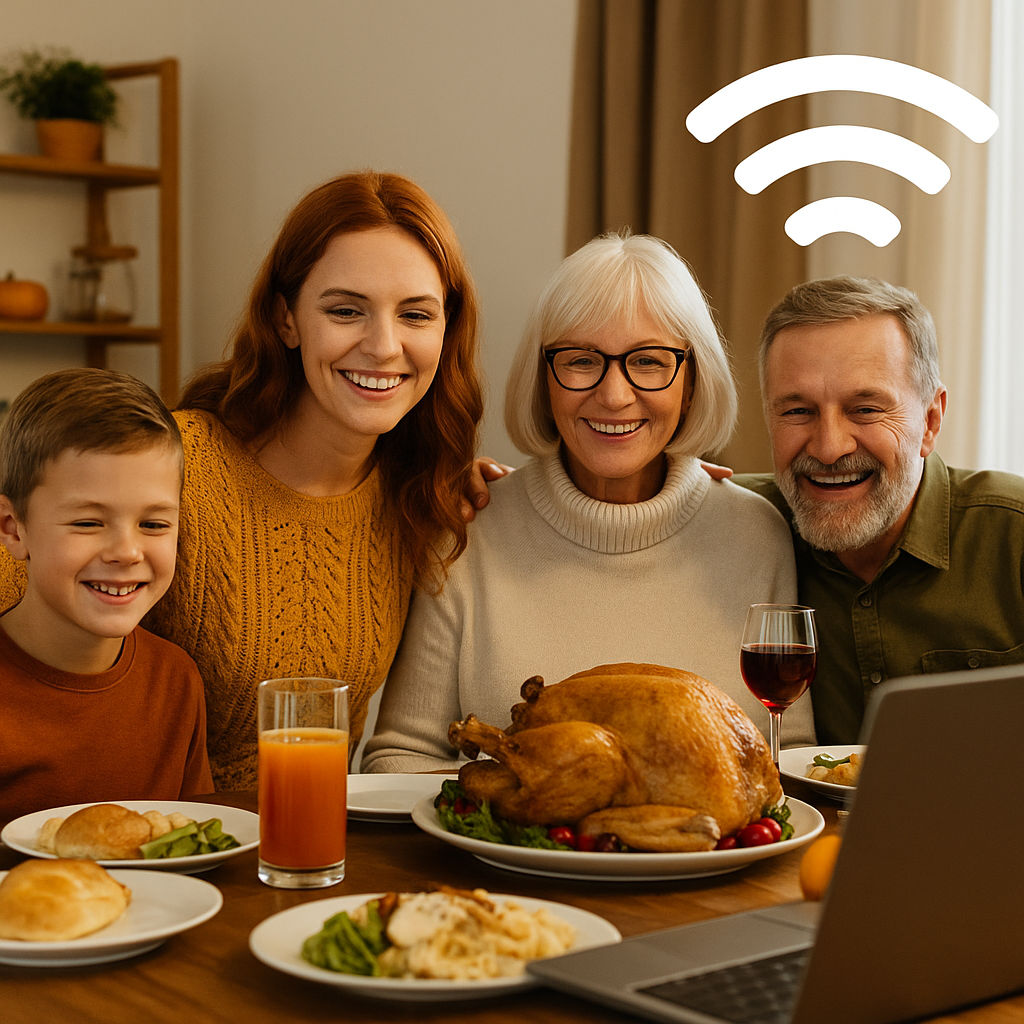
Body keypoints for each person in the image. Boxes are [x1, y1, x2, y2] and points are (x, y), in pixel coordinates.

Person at [362, 232, 813, 773]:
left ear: (691, 382)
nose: (614, 395)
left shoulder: (757, 532)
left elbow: (788, 757)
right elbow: (398, 759)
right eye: (580, 360)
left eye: (648, 361)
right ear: (544, 380)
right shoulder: (468, 526)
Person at [732, 276, 1024, 744]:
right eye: (797, 412)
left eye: (865, 409)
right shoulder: (737, 522)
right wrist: (673, 476)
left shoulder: (1014, 538)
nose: (829, 448)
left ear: (930, 422)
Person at [0, 369, 213, 823]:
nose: (126, 552)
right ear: (13, 529)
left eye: (154, 524)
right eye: (88, 523)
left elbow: (196, 842)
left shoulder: (176, 681)